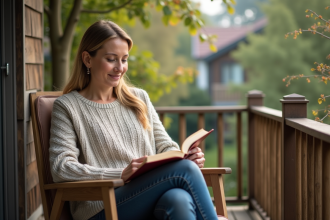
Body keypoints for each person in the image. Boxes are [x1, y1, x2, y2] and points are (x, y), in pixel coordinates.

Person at [49, 20, 218, 220]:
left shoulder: (139, 98)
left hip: (146, 197)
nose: (120, 68)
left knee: (178, 199)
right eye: (111, 59)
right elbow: (61, 167)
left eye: (124, 59)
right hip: (102, 206)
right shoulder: (67, 106)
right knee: (186, 172)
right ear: (87, 59)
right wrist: (120, 174)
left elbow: (165, 146)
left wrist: (186, 157)